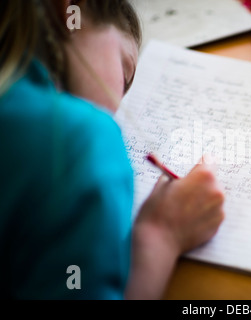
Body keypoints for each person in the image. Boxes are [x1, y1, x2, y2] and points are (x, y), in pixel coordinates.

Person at [0, 0, 225, 299]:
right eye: (126, 73)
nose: (119, 106)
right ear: (70, 12)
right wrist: (162, 234)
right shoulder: (77, 142)